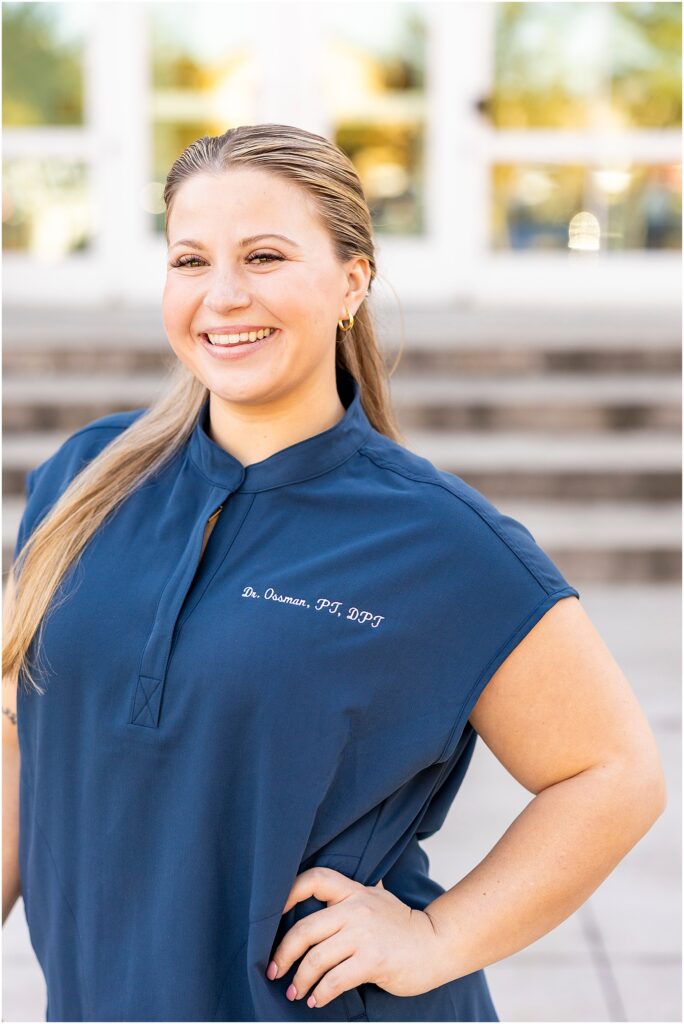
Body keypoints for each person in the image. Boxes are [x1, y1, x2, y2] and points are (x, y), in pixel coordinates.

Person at [2, 123, 666, 1023]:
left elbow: (614, 771)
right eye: (190, 260)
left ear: (352, 280)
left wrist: (437, 939)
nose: (223, 296)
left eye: (265, 256)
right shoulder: (83, 479)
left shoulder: (441, 542)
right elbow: (18, 736)